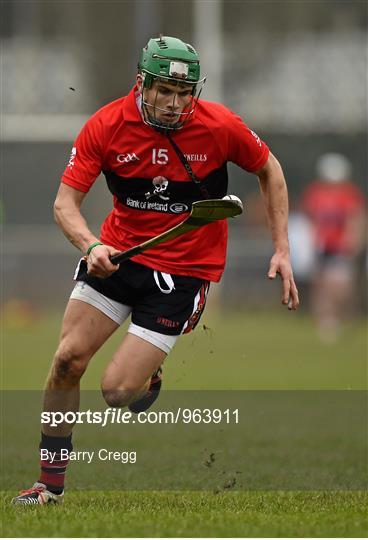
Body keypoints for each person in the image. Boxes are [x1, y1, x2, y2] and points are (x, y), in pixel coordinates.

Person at [13, 35, 299, 505]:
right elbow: (65, 204)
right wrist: (92, 246)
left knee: (116, 392)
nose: (174, 104)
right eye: (164, 90)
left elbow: (270, 170)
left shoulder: (220, 126)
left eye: (185, 94)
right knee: (67, 360)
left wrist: (282, 249)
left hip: (183, 273)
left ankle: (150, 371)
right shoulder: (106, 125)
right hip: (118, 257)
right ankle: (49, 485)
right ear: (142, 83)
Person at [301, 153, 365, 341]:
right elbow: (310, 220)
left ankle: (343, 317)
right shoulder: (315, 193)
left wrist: (354, 241)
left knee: (341, 287)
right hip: (322, 247)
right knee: (322, 286)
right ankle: (326, 322)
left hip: (341, 248)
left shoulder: (350, 195)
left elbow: (357, 219)